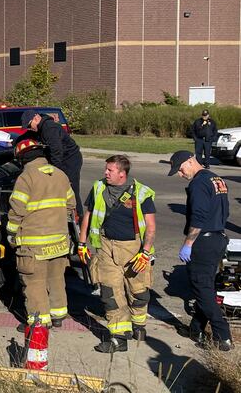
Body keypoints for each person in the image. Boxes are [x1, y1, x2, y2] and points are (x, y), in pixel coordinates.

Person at [79, 155, 156, 353]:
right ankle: (119, 338)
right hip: (106, 248)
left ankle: (138, 326)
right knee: (110, 294)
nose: (105, 173)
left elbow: (151, 227)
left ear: (122, 174)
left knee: (138, 292)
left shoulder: (141, 193)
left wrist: (145, 252)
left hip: (133, 250)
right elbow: (88, 215)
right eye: (106, 169)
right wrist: (81, 242)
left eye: (110, 170)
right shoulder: (98, 188)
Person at [168, 150, 233, 351]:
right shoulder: (216, 179)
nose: (180, 174)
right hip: (218, 238)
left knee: (202, 289)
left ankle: (223, 336)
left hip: (203, 242)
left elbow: (198, 217)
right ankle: (195, 329)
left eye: (180, 169)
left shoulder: (197, 183)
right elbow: (225, 211)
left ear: (190, 161)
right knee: (205, 287)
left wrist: (188, 244)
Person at [7, 138, 75, 329]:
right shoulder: (60, 175)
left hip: (34, 245)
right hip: (60, 242)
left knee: (34, 282)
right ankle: (58, 315)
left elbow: (16, 212)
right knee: (56, 278)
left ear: (21, 159)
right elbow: (71, 205)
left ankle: (39, 321)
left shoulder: (26, 178)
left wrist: (11, 235)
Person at [20, 110, 84, 217]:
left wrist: (55, 173)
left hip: (69, 160)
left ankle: (78, 218)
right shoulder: (40, 127)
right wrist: (13, 141)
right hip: (62, 158)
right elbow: (28, 135)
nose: (29, 128)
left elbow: (56, 152)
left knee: (71, 189)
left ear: (36, 118)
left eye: (29, 125)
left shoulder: (49, 128)